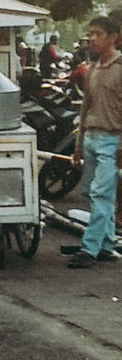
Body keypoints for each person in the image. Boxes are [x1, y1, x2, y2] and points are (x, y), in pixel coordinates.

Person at [67, 15, 122, 268]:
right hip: (90, 137)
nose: (93, 39)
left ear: (114, 37)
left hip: (112, 140)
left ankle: (88, 249)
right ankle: (107, 244)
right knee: (91, 192)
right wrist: (78, 144)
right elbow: (84, 108)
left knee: (101, 194)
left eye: (99, 34)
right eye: (91, 34)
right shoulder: (91, 71)